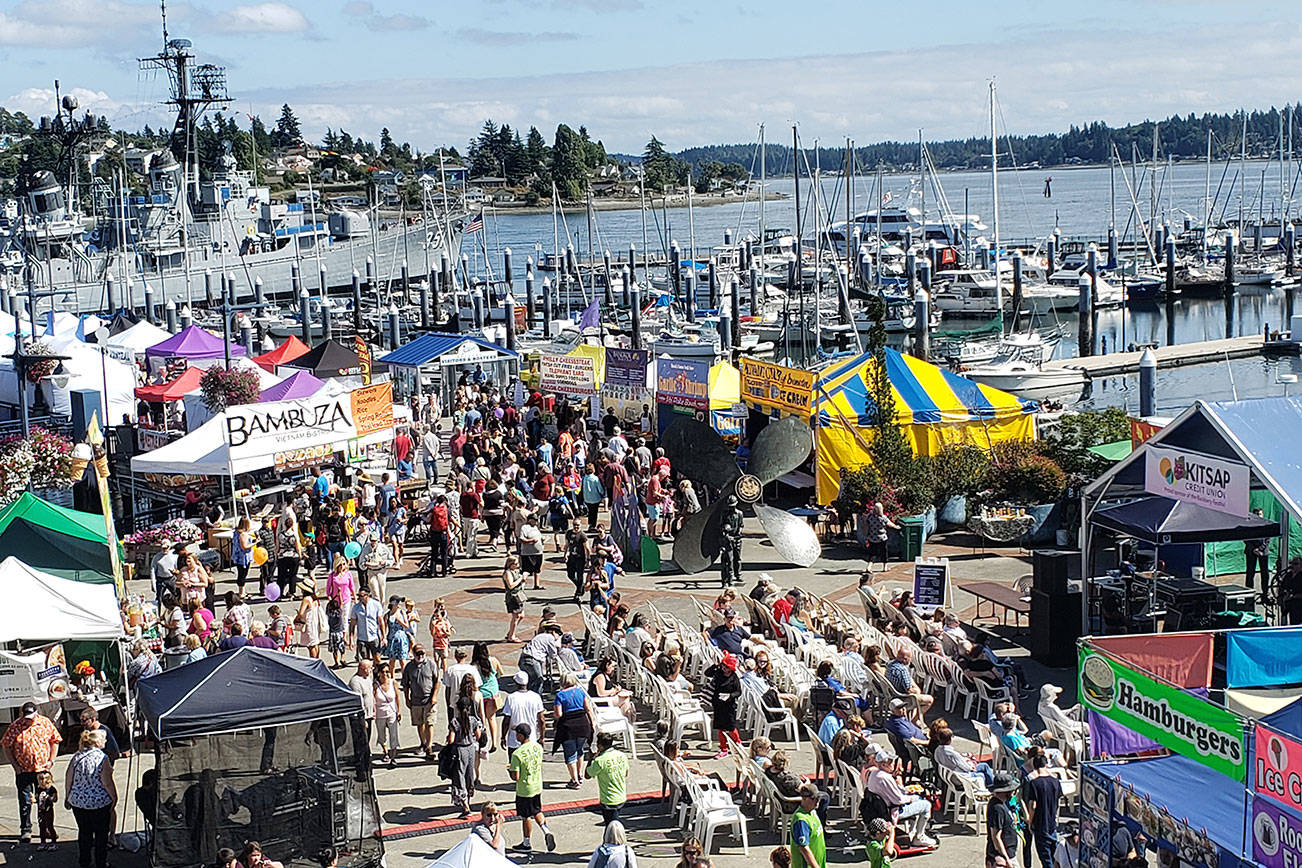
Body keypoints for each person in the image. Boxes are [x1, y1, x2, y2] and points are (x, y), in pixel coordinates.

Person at [3, 700, 61, 845]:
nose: (28, 721)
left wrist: (51, 761)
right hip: (23, 771)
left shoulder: (45, 723)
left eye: (31, 717)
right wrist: (15, 766)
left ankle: (47, 828)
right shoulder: (15, 726)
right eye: (26, 717)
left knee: (44, 802)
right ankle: (26, 829)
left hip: (42, 771)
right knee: (25, 801)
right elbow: (6, 745)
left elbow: (55, 740)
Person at [65, 728, 117, 868]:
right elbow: (106, 782)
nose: (106, 741)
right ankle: (101, 862)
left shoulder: (77, 756)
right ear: (98, 742)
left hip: (79, 802)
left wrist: (67, 796)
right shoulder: (102, 758)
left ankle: (84, 861)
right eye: (104, 738)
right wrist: (114, 797)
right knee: (101, 835)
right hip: (98, 802)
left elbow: (68, 777)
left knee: (84, 832)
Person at [867, 751, 936, 847]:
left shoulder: (874, 774)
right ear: (883, 764)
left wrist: (905, 791)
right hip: (893, 810)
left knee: (918, 799)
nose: (893, 765)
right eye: (891, 762)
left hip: (880, 807)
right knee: (926, 805)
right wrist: (911, 798)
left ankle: (913, 831)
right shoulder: (885, 778)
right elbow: (898, 800)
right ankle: (919, 837)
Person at [507, 722, 556, 853]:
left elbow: (515, 777)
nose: (516, 735)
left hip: (525, 789)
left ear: (521, 736)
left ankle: (526, 843)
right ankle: (546, 830)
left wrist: (509, 770)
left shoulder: (517, 754)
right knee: (537, 810)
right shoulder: (538, 747)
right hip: (537, 785)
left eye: (517, 733)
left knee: (526, 816)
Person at [554, 672, 595, 788]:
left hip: (568, 727)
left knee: (570, 754)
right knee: (579, 750)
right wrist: (592, 724)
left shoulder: (560, 695)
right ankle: (580, 774)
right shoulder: (581, 692)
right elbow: (588, 709)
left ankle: (574, 780)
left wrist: (555, 717)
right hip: (583, 725)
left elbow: (559, 714)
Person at [447, 696, 485, 817]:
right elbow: (478, 736)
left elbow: (451, 739)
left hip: (459, 750)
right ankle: (468, 799)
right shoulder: (473, 720)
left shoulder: (455, 722)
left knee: (459, 777)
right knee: (469, 774)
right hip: (470, 749)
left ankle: (465, 806)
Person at [1025, 753, 1063, 868]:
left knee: (1046, 859)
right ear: (1046, 765)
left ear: (1035, 768)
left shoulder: (1035, 783)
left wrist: (1030, 821)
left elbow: (1033, 806)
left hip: (1040, 825)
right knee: (1055, 857)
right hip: (1052, 824)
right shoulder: (1056, 782)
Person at [401, 644, 439, 757]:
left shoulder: (431, 664)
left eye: (422, 653)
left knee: (429, 723)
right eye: (418, 653)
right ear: (413, 654)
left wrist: (434, 696)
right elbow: (405, 685)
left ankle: (429, 746)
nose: (420, 655)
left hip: (429, 700)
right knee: (419, 723)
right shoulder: (409, 667)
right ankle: (422, 743)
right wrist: (407, 699)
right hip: (415, 701)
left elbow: (437, 681)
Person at [585, 731, 629, 824]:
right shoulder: (622, 755)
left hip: (608, 800)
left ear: (600, 746)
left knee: (611, 826)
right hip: (621, 797)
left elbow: (587, 775)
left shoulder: (600, 761)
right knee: (616, 823)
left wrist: (590, 759)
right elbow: (626, 773)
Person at [704, 651, 742, 757]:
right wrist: (716, 665)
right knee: (720, 728)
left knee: (731, 727)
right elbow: (707, 673)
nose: (724, 669)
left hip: (729, 706)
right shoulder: (718, 672)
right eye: (723, 666)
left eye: (727, 667)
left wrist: (730, 696)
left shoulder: (734, 678)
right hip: (718, 704)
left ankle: (737, 743)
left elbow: (738, 692)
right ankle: (723, 748)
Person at [499, 671, 547, 755]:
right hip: (531, 738)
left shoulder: (511, 698)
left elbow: (506, 721)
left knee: (514, 766)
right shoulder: (535, 697)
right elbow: (541, 720)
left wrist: (503, 737)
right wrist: (542, 737)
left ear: (516, 683)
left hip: (514, 740)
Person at [884, 646, 934, 720]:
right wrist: (917, 689)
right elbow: (909, 690)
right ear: (905, 659)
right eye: (910, 658)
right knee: (929, 699)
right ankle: (915, 720)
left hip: (892, 694)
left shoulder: (890, 665)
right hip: (902, 697)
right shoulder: (902, 670)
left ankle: (911, 718)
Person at [986, 772, 1020, 867]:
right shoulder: (997, 808)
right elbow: (996, 836)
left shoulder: (1001, 804)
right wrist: (1006, 859)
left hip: (1009, 853)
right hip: (1002, 857)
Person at [789, 783, 827, 868]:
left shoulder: (812, 811)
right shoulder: (801, 820)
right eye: (814, 798)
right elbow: (804, 848)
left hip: (819, 862)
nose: (818, 801)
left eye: (818, 798)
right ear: (804, 798)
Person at [374, 664, 402, 768]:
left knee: (393, 734)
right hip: (380, 713)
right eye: (383, 672)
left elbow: (397, 697)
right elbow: (373, 699)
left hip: (391, 712)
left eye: (387, 671)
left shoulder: (393, 682)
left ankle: (393, 756)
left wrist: (399, 711)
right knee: (382, 736)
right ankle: (385, 751)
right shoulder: (375, 685)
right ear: (379, 673)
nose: (385, 674)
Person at [348, 587, 385, 661]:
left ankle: (376, 672)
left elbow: (381, 621)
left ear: (368, 595)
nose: (360, 598)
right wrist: (351, 639)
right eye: (359, 596)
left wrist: (384, 636)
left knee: (377, 659)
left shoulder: (376, 605)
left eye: (362, 596)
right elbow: (352, 624)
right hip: (362, 638)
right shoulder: (356, 607)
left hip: (374, 636)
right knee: (365, 661)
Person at [864, 502, 899, 570]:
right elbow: (890, 524)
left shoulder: (870, 517)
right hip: (882, 538)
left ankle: (869, 566)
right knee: (884, 552)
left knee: (873, 553)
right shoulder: (883, 518)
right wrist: (896, 527)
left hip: (872, 538)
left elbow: (866, 525)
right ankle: (885, 567)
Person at [502, 555, 526, 642]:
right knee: (515, 616)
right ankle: (511, 636)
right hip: (513, 597)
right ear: (510, 564)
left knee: (521, 615)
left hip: (519, 595)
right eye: (515, 564)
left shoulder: (515, 571)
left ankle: (510, 633)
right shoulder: (508, 573)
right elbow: (511, 585)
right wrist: (520, 579)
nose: (517, 565)